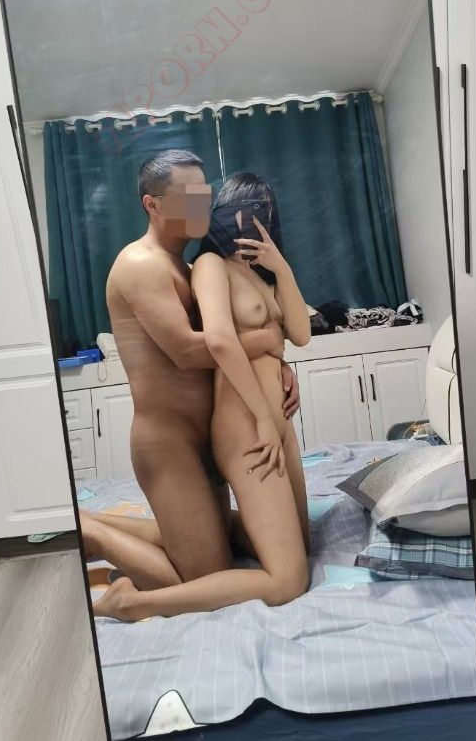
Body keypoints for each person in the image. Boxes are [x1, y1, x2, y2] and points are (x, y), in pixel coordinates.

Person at [93, 172, 311, 621]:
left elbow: (300, 334)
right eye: (247, 209)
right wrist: (268, 358)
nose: (256, 219)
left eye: (265, 210)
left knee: (299, 545)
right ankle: (130, 599)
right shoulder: (206, 266)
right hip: (244, 425)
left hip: (277, 423)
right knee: (286, 579)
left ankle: (100, 524)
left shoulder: (259, 272)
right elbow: (215, 345)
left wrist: (282, 269)